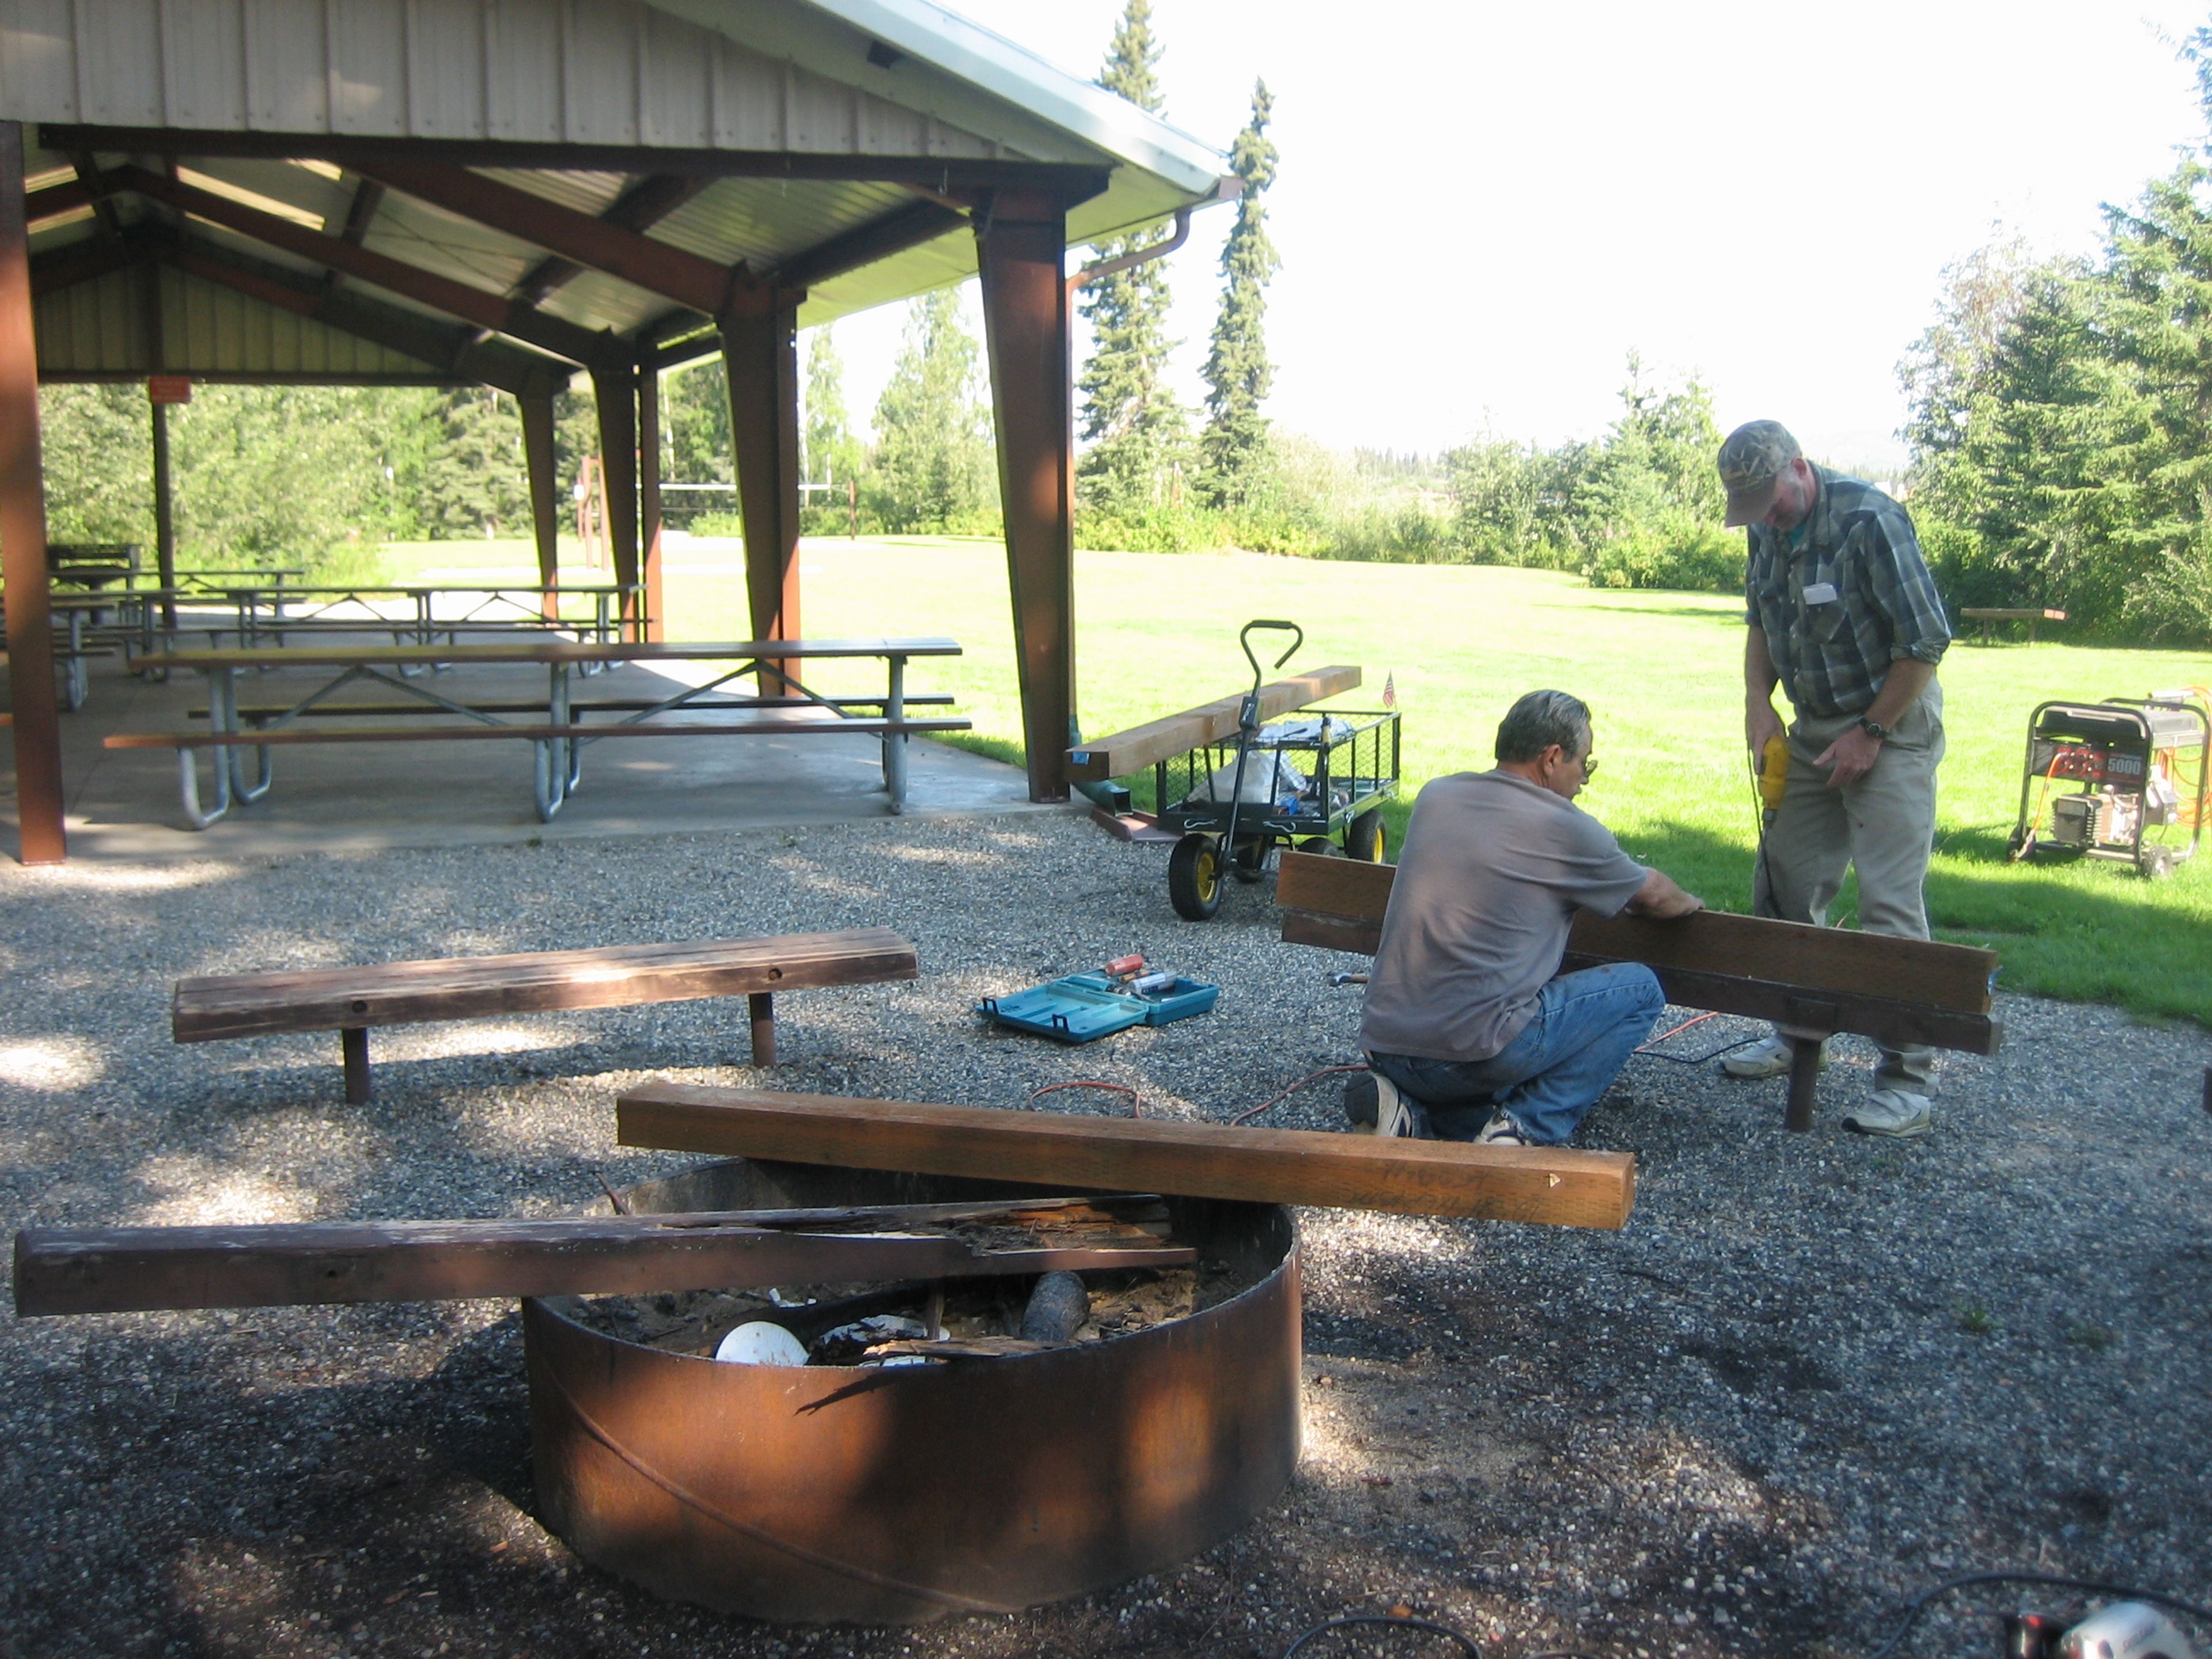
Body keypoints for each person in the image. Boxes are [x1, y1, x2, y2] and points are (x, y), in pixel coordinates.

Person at [1715, 419, 1952, 1138]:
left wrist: (1871, 732)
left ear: (1800, 468)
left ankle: (1906, 1078)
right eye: (1753, 508)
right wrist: (1760, 703)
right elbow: (1760, 621)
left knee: (1888, 905)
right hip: (1815, 725)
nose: (1768, 518)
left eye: (1773, 502)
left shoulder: (1869, 520)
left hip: (1893, 730)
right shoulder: (1768, 525)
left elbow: (1925, 641)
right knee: (1785, 883)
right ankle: (1794, 1032)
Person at [1344, 690, 1703, 1147]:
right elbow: (1652, 897)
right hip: (1471, 1055)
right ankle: (1527, 1126)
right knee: (1641, 990)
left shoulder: (1437, 795)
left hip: (1384, 1042)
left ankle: (1409, 1114)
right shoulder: (1565, 827)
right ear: (1553, 757)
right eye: (1584, 764)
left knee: (1478, 1041)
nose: (1584, 781)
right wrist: (1691, 902)